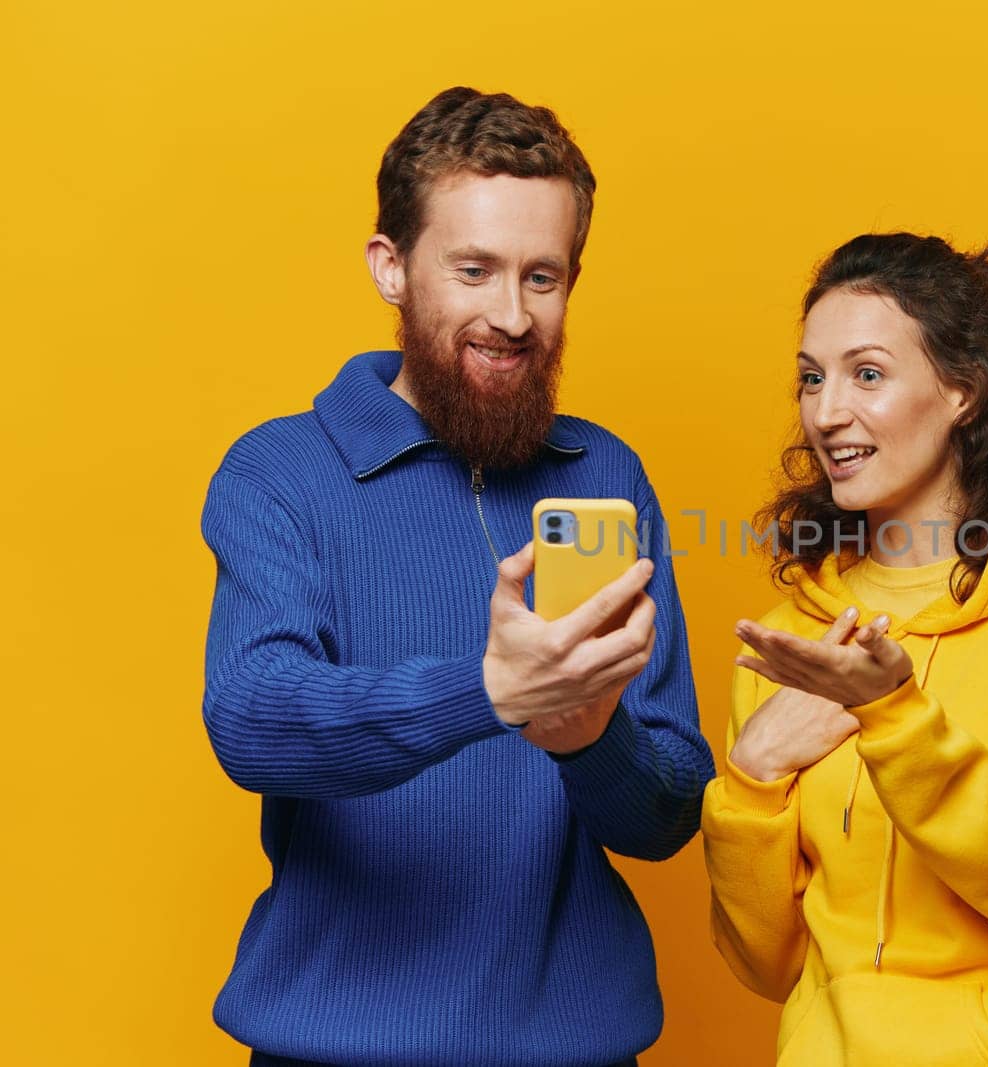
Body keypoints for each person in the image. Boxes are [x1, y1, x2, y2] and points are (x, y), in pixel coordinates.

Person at [200, 87, 713, 1067]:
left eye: (543, 277)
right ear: (391, 267)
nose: (511, 315)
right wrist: (489, 692)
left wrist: (589, 735)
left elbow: (668, 811)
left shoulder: (605, 478)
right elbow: (254, 720)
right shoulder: (279, 473)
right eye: (472, 270)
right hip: (331, 1048)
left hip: (577, 1049)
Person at [701, 233, 988, 1065]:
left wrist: (893, 713)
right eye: (812, 376)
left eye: (867, 373)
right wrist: (751, 785)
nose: (826, 411)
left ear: (963, 391)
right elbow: (767, 963)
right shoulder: (795, 638)